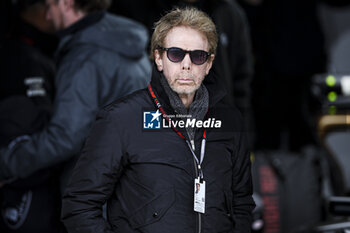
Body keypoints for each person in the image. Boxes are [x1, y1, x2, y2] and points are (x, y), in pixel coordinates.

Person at [62, 7, 255, 233]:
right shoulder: (120, 120)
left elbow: (242, 204)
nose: (186, 64)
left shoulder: (230, 122)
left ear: (209, 64)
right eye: (175, 53)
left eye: (197, 56)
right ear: (159, 58)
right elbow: (79, 205)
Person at [0, 0, 151, 198]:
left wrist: (5, 164)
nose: (46, 15)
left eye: (50, 5)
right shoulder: (125, 41)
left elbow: (64, 138)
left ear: (66, 3)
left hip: (101, 200)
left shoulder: (84, 59)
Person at [111, 0, 255, 147]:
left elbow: (242, 85)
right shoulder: (137, 10)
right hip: (156, 133)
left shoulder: (229, 13)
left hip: (217, 137)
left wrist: (242, 141)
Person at [0, 1, 60, 231]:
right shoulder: (23, 57)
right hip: (26, 185)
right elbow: (35, 131)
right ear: (45, 10)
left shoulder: (39, 52)